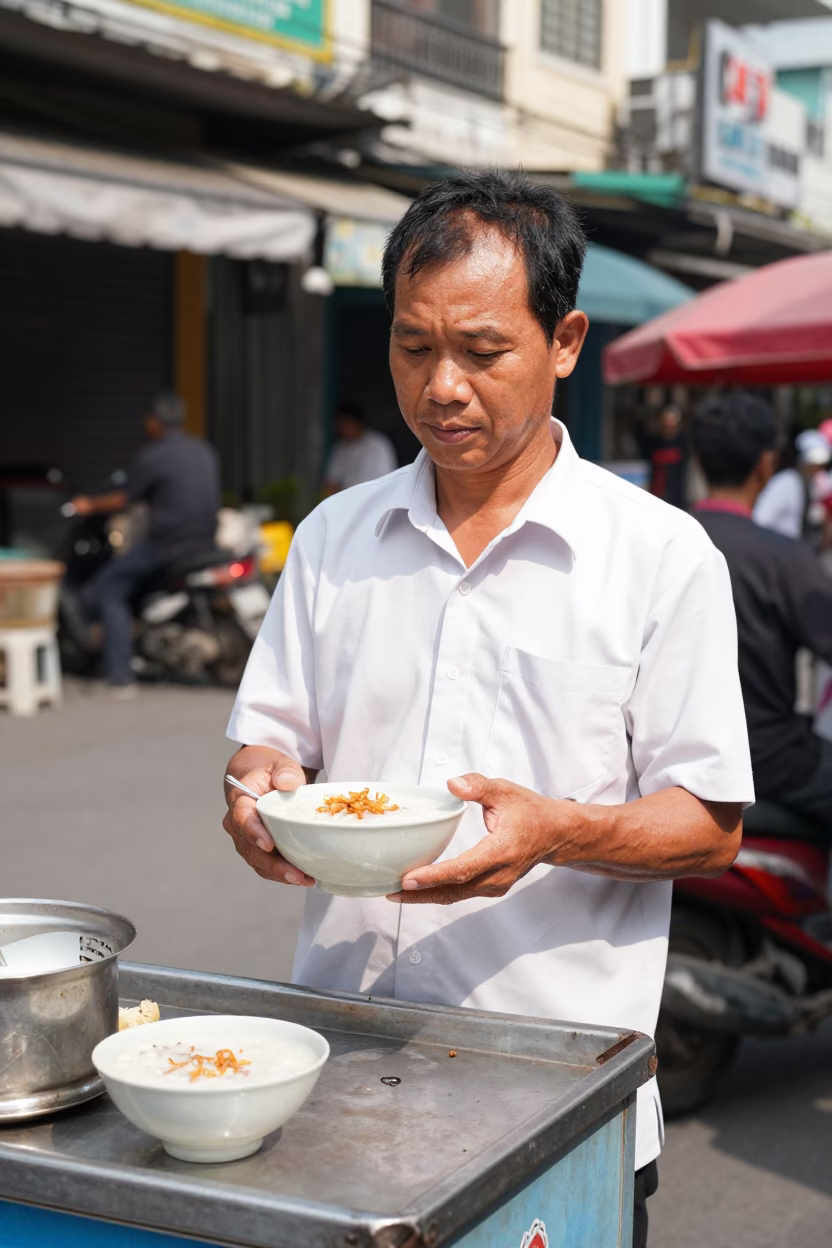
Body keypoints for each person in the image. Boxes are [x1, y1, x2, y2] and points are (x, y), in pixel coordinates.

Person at [223, 171, 752, 1247]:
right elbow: (270, 740)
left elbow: (710, 824)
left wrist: (558, 831)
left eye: (480, 350)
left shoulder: (658, 557)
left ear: (565, 342)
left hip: (555, 1094)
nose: (441, 387)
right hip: (339, 1073)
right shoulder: (333, 538)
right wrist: (257, 789)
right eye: (413, 346)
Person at [692, 392, 832, 825]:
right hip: (769, 760)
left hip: (666, 759)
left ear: (698, 461)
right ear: (765, 465)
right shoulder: (782, 557)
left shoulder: (654, 541)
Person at [72, 393, 220, 692]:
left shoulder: (154, 456)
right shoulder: (203, 450)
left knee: (109, 588)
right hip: (206, 545)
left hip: (167, 547)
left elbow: (125, 498)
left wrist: (88, 504)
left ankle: (119, 674)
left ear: (153, 422)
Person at [753, 428, 831, 539]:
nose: (818, 469)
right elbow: (761, 518)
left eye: (821, 465)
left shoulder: (807, 485)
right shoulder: (787, 482)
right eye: (815, 464)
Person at [323, 402, 397, 494]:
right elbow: (331, 482)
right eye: (340, 425)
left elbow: (387, 481)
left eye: (347, 423)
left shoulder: (378, 445)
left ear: (358, 423)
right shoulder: (340, 449)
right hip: (347, 499)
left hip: (374, 498)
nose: (343, 429)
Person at [636, 403, 688, 509]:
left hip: (677, 499)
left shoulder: (683, 442)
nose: (668, 429)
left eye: (671, 426)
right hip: (655, 497)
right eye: (666, 425)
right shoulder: (652, 442)